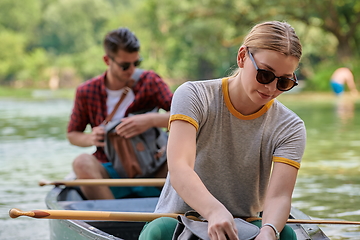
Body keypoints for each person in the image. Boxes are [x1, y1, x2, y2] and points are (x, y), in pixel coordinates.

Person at [139, 21, 305, 240]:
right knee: (156, 234)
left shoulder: (291, 127)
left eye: (284, 82)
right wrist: (214, 211)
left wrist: (269, 231)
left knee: (287, 236)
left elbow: (280, 197)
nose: (271, 88)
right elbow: (180, 168)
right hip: (179, 221)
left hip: (244, 225)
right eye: (265, 74)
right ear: (242, 57)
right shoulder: (193, 95)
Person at [67, 27, 173, 200]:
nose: (131, 69)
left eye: (136, 63)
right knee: (81, 162)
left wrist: (150, 120)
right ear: (107, 60)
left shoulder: (150, 81)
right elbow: (72, 134)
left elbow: (185, 115)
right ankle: (112, 222)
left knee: (192, 150)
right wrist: (91, 138)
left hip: (155, 166)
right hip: (110, 169)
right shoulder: (86, 91)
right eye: (125, 65)